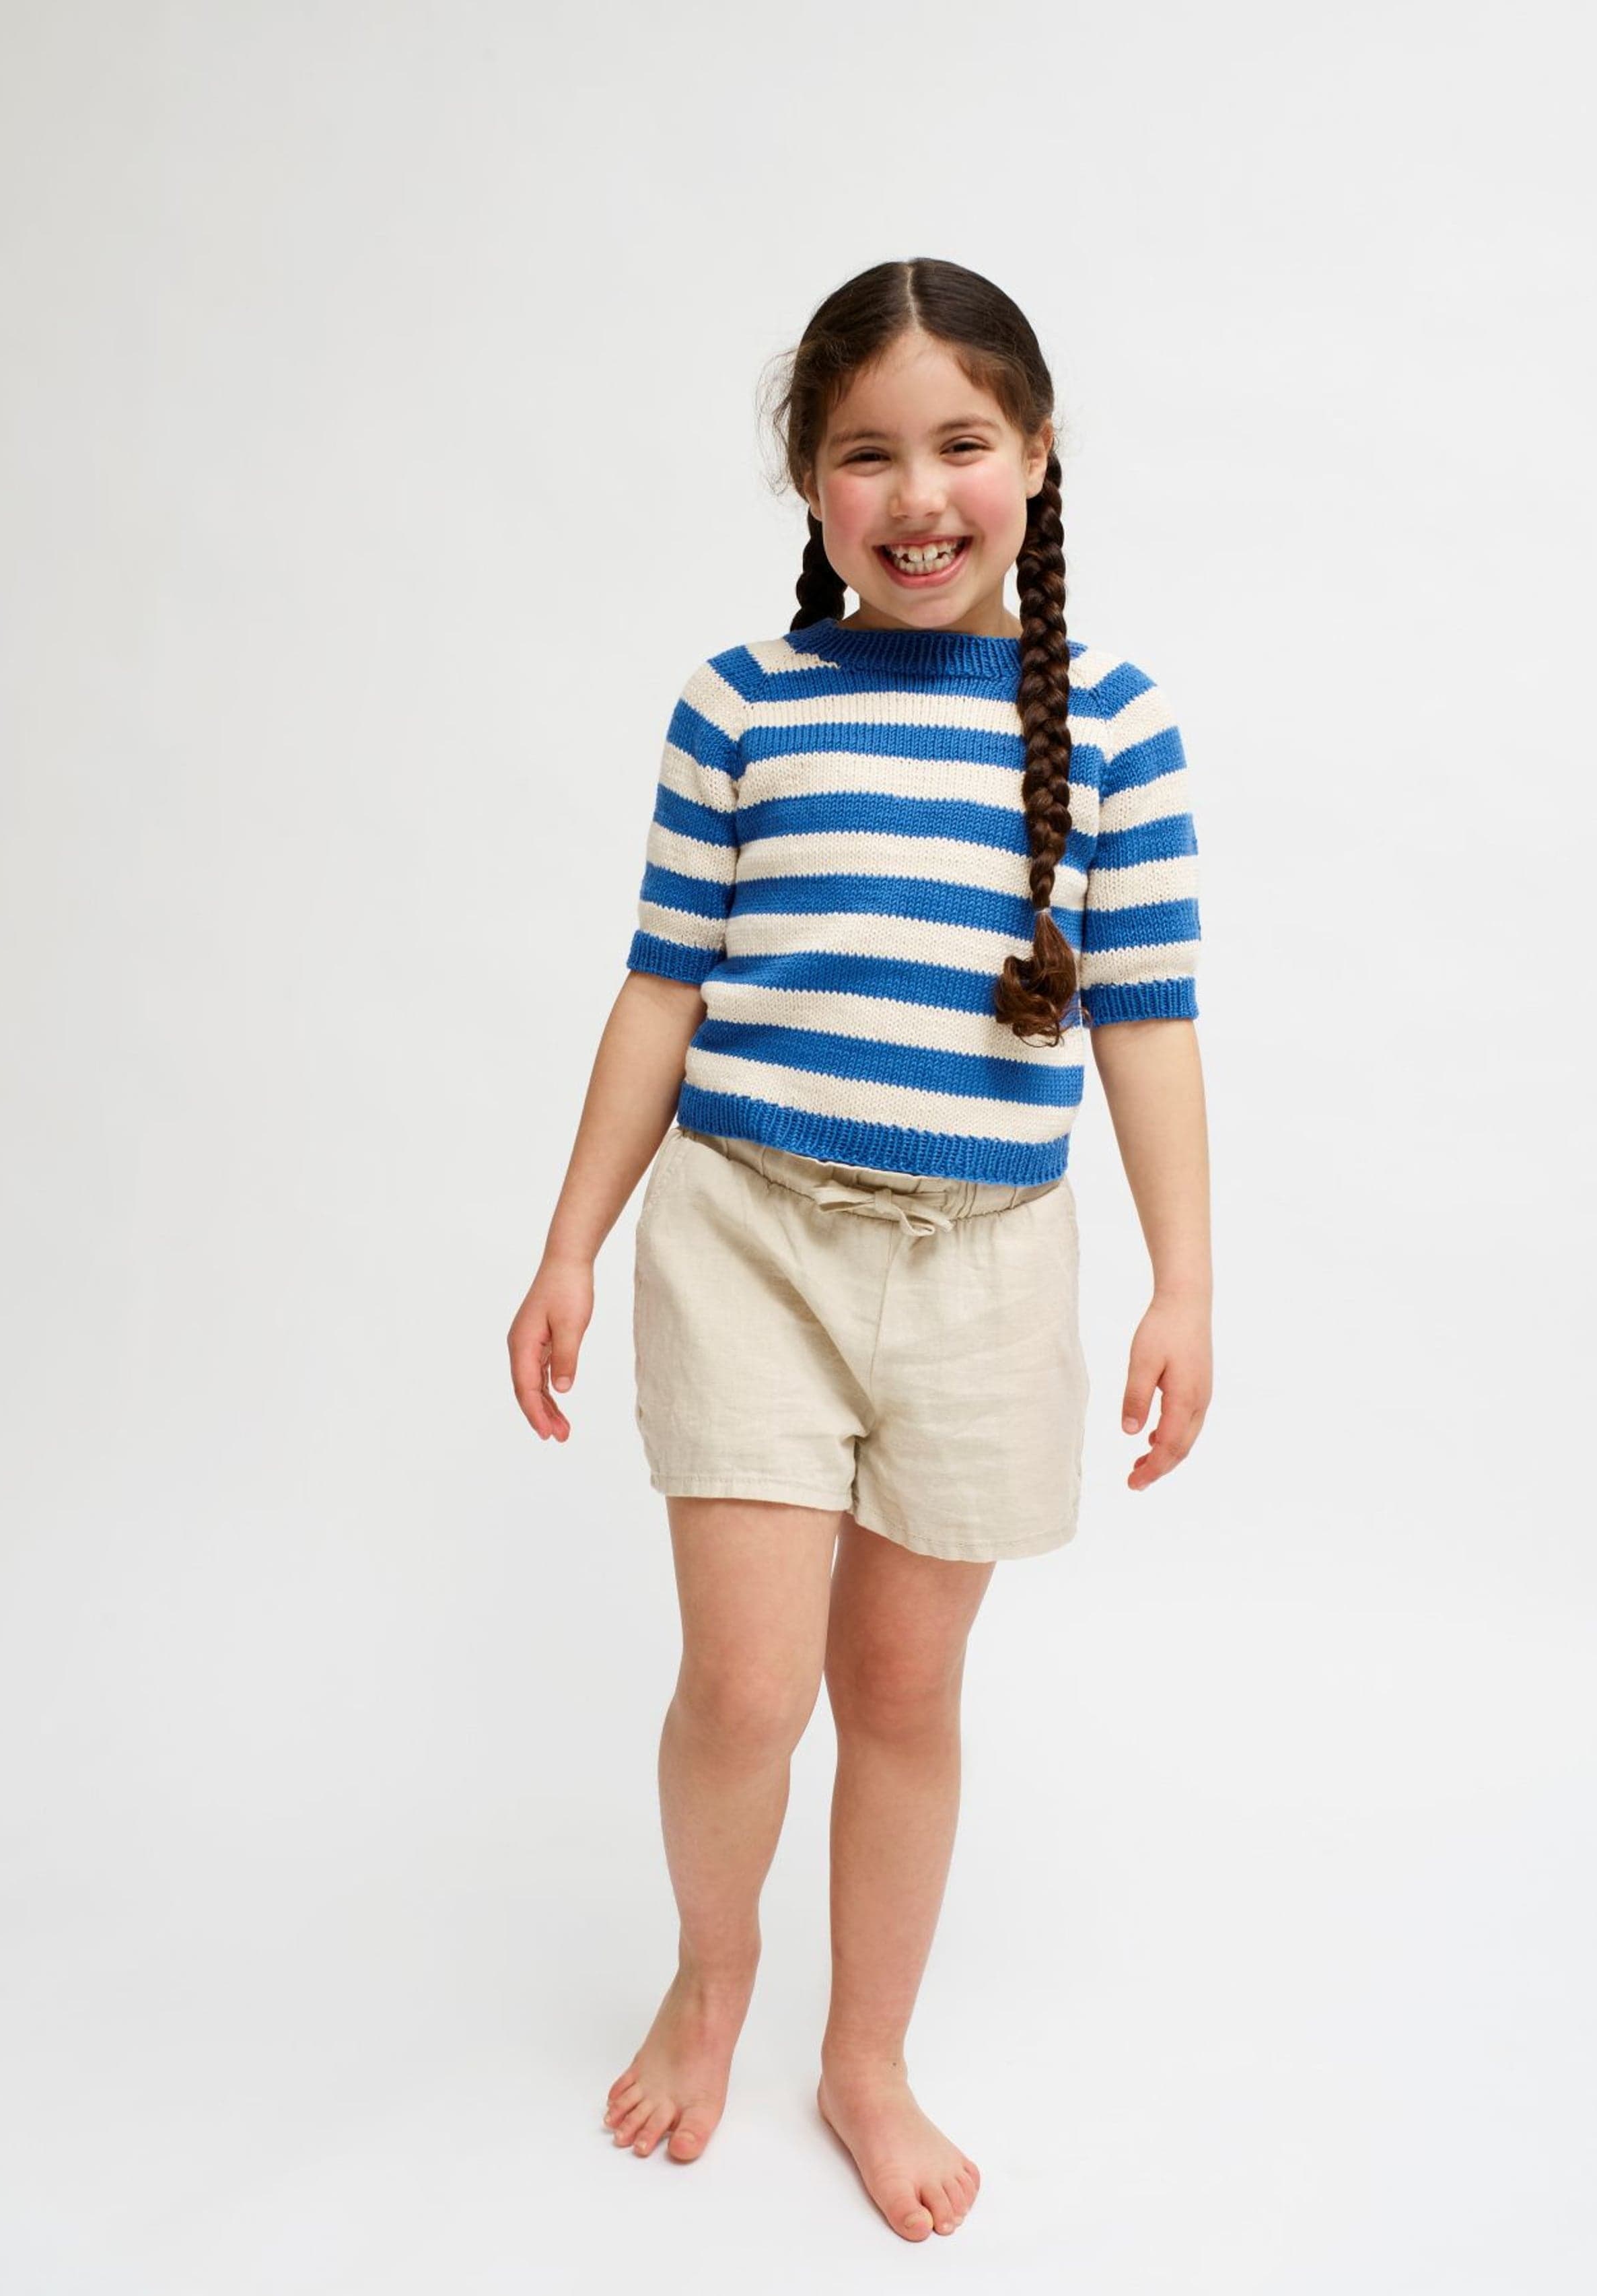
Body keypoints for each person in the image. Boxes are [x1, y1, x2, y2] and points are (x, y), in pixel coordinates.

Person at [506, 256, 1213, 2244]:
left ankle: (866, 2054)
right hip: (748, 1242)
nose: (917, 497)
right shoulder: (740, 707)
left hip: (985, 1271)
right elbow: (661, 989)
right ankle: (712, 1972)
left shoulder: (1117, 729)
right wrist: (569, 1244)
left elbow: (1149, 1020)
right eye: (864, 454)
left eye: (961, 444)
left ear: (1038, 457)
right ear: (808, 484)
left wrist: (1186, 1280)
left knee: (902, 1690)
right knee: (746, 1689)